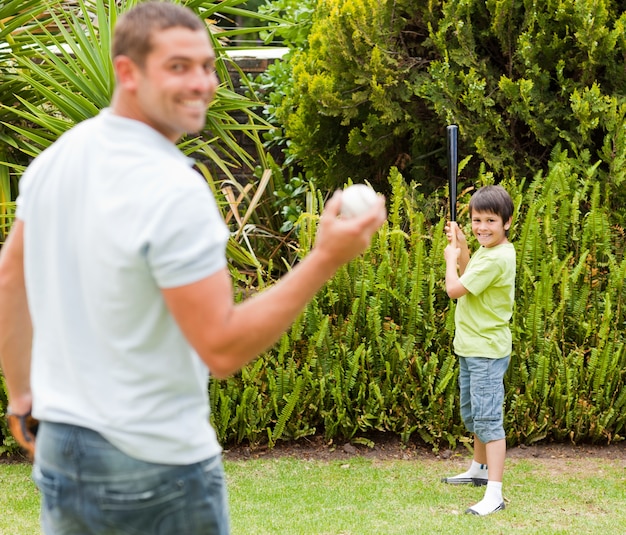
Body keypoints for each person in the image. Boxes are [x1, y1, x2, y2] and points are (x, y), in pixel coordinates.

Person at [0, 2, 386, 533]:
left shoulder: (59, 158)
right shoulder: (172, 188)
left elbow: (9, 276)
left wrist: (21, 396)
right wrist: (323, 260)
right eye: (178, 66)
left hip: (65, 448)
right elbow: (222, 348)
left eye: (206, 65)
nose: (202, 82)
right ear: (127, 71)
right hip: (154, 460)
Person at [441, 184, 515, 516]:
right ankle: (479, 470)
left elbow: (456, 289)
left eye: (490, 221)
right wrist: (465, 246)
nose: (482, 227)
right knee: (475, 416)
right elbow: (473, 272)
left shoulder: (498, 257)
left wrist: (450, 260)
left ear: (507, 222)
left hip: (485, 350)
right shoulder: (492, 250)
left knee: (488, 421)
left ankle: (495, 494)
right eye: (476, 220)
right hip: (474, 347)